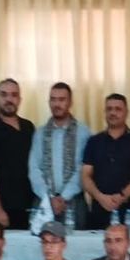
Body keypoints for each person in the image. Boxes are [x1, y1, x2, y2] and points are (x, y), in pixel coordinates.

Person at [80, 93, 130, 230]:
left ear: (126, 113)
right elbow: (85, 175)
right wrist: (100, 197)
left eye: (118, 109)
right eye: (109, 109)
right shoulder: (94, 141)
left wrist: (122, 196)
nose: (113, 113)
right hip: (100, 209)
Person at [0, 78, 37, 230]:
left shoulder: (28, 127)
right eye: (4, 95)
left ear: (20, 99)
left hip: (28, 206)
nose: (9, 99)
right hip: (1, 209)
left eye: (14, 95)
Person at [29, 82, 90, 229]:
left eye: (62, 99)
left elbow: (82, 169)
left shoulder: (83, 132)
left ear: (70, 102)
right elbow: (34, 168)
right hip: (44, 202)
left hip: (74, 201)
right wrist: (48, 198)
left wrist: (63, 197)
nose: (57, 104)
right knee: (42, 241)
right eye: (53, 99)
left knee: (77, 242)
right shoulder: (40, 133)